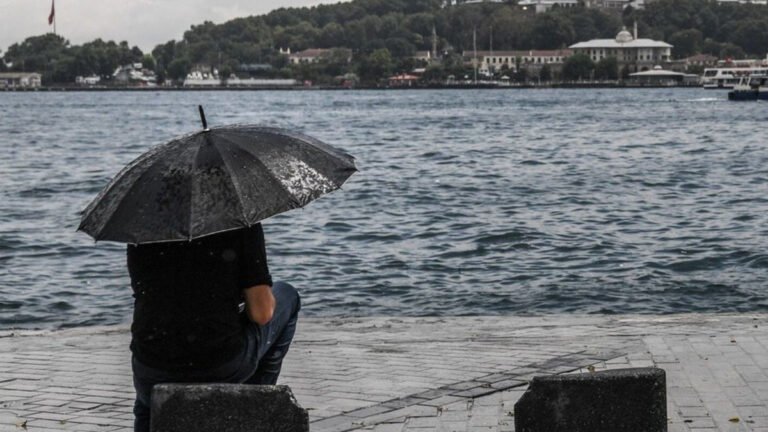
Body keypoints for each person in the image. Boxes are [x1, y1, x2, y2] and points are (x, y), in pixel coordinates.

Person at [126, 223, 300, 432]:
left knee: (152, 352)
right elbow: (261, 314)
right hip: (220, 364)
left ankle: (148, 420)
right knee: (288, 296)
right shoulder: (239, 223)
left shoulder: (142, 225)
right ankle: (253, 405)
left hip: (151, 372)